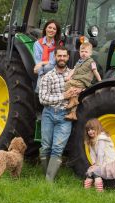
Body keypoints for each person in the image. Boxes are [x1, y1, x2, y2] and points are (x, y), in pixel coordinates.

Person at [39, 46, 79, 182]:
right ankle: (46, 174)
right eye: (59, 56)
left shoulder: (74, 76)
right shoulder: (47, 76)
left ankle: (48, 182)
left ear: (68, 57)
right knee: (46, 146)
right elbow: (43, 98)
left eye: (64, 56)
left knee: (57, 149)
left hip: (65, 116)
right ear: (55, 57)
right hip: (49, 114)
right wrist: (64, 96)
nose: (62, 58)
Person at [64, 42, 102, 120]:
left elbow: (95, 72)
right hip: (76, 80)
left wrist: (100, 82)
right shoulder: (79, 61)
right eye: (82, 51)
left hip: (82, 81)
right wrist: (68, 76)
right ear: (79, 52)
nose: (84, 53)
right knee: (74, 93)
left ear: (90, 53)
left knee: (68, 85)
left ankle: (73, 102)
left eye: (86, 52)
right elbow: (73, 70)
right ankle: (73, 114)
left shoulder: (92, 62)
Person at [83, 118, 115, 192]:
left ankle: (99, 191)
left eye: (92, 129)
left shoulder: (101, 138)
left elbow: (101, 153)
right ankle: (86, 189)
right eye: (88, 130)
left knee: (95, 172)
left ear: (98, 128)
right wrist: (94, 163)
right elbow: (92, 153)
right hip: (102, 162)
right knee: (91, 171)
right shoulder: (91, 140)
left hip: (110, 163)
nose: (90, 132)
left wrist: (97, 165)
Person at [33, 20, 62, 93]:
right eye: (50, 27)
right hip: (42, 71)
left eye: (54, 29)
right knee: (41, 67)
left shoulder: (59, 45)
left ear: (56, 32)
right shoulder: (37, 44)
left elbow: (54, 62)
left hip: (55, 70)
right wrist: (41, 74)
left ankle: (39, 89)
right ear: (45, 28)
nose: (51, 30)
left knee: (46, 66)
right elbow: (37, 61)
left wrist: (42, 63)